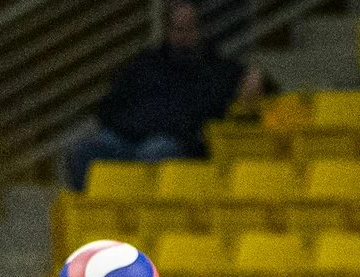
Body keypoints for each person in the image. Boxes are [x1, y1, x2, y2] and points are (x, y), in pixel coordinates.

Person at [59, 0, 262, 179]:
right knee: (83, 151)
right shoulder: (145, 63)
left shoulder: (218, 70)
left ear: (200, 30)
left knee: (154, 152)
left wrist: (252, 80)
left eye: (189, 29)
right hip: (126, 138)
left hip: (174, 143)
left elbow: (253, 90)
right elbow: (111, 104)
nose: (183, 36)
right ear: (168, 31)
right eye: (178, 29)